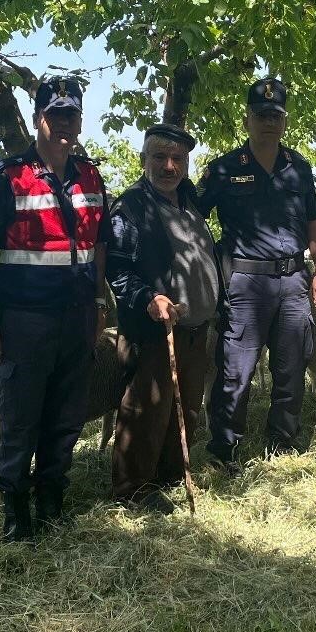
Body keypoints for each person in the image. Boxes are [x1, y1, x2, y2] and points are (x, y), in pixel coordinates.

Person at [0, 77, 107, 541]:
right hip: (24, 319)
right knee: (20, 416)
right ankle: (15, 515)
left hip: (77, 317)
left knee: (65, 416)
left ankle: (52, 501)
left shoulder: (90, 176)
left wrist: (100, 300)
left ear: (79, 121)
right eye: (55, 115)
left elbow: (98, 244)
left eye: (72, 115)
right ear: (38, 119)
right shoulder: (8, 177)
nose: (64, 123)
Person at [197, 78, 316, 473]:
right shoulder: (223, 170)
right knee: (235, 368)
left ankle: (283, 440)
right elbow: (191, 218)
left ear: (284, 120)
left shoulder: (299, 169)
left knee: (291, 365)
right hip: (243, 284)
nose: (269, 121)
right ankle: (224, 449)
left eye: (276, 115)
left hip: (293, 282)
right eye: (261, 115)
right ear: (248, 119)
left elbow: (314, 224)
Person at [102, 123, 221, 512]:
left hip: (193, 327)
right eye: (159, 157)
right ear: (143, 161)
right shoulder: (131, 207)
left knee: (182, 405)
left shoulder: (187, 199)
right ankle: (132, 489)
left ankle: (168, 474)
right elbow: (117, 270)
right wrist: (149, 297)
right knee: (146, 408)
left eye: (178, 159)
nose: (169, 166)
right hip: (153, 329)